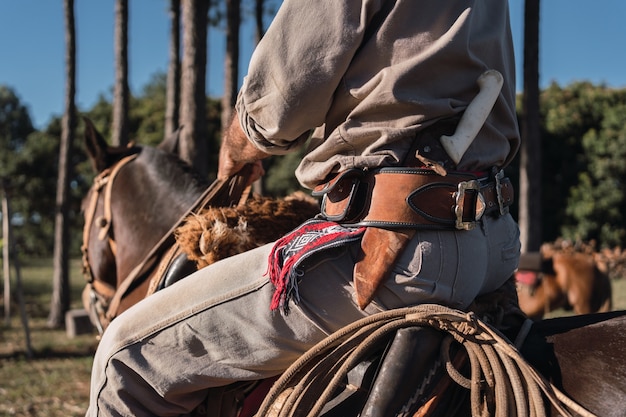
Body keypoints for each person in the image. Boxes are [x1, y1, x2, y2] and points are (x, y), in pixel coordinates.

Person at [86, 0, 522, 415]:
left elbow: (286, 91)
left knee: (124, 358)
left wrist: (240, 143)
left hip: (396, 247)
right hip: (495, 242)